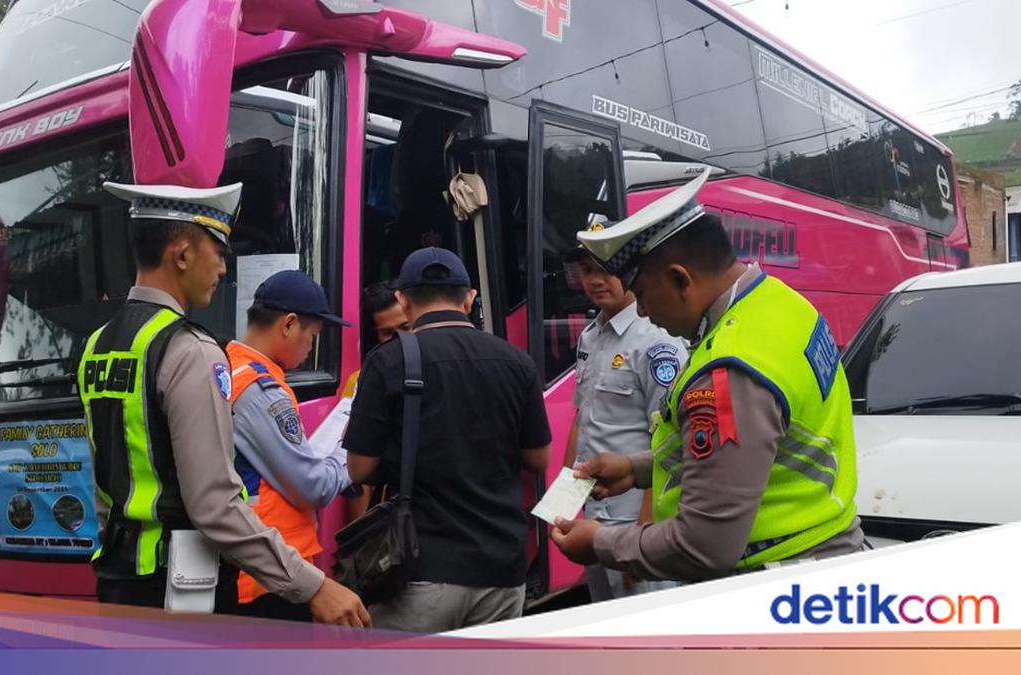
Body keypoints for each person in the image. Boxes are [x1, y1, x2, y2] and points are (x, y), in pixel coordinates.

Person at [550, 172, 864, 582]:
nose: (642, 311)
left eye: (642, 294)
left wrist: (599, 543)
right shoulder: (782, 305)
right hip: (825, 551)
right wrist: (637, 468)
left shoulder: (728, 371)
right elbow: (760, 447)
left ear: (681, 279)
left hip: (772, 581)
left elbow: (701, 546)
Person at [81, 181, 368, 627]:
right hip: (183, 589)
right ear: (182, 254)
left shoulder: (99, 344)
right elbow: (215, 506)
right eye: (218, 251)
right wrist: (315, 586)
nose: (221, 268)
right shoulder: (191, 351)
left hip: (119, 578)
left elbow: (104, 484)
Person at [344, 247, 551, 632]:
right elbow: (539, 459)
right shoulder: (517, 362)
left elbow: (359, 469)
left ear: (403, 301)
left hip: (419, 569)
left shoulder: (386, 362)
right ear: (470, 298)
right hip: (502, 569)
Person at [227, 270, 354, 621]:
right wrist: (349, 449)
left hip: (253, 567)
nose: (312, 346)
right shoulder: (259, 389)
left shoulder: (228, 368)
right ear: (288, 324)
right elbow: (312, 487)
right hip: (270, 575)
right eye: (313, 335)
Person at [563, 241, 686, 601]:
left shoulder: (656, 340)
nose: (596, 281)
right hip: (595, 517)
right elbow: (581, 421)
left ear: (631, 270)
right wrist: (563, 501)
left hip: (635, 522)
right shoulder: (590, 335)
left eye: (606, 270)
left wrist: (643, 537)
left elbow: (667, 442)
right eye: (587, 271)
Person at [341, 280, 410, 520]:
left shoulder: (445, 370)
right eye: (388, 333)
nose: (401, 341)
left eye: (407, 327)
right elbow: (359, 478)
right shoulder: (361, 382)